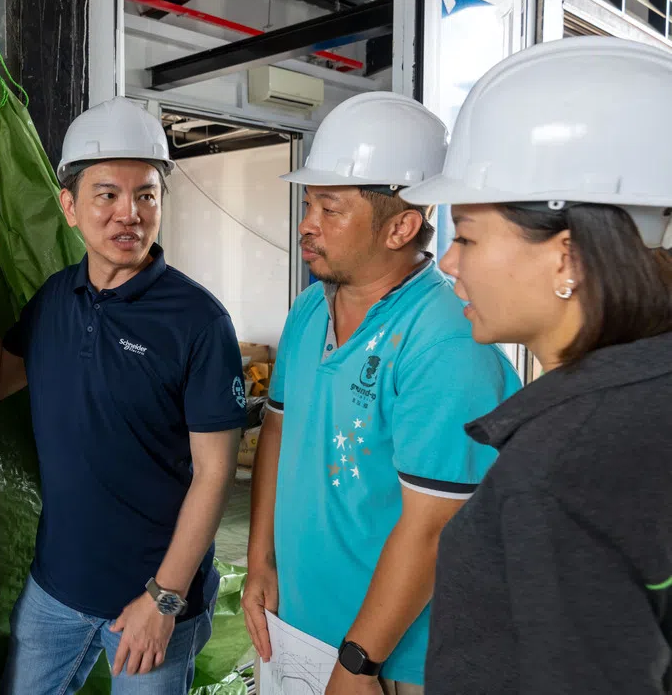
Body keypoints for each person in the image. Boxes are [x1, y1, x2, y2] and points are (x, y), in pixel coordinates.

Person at [397, 36, 672, 694]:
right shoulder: (647, 399)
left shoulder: (559, 467)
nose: (449, 262)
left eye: (467, 235)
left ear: (566, 257)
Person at [241, 92, 522, 695]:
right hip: (301, 630)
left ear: (400, 226)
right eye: (309, 203)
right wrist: (260, 558)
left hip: (390, 660)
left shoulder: (446, 342)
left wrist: (359, 662)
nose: (306, 223)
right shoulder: (308, 308)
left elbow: (434, 528)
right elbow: (278, 429)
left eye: (330, 208)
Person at [0, 96, 247, 694]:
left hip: (152, 599)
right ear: (69, 207)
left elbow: (215, 474)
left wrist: (164, 598)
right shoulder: (55, 299)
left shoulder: (198, 322)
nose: (129, 214)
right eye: (107, 194)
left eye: (146, 196)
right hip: (55, 590)